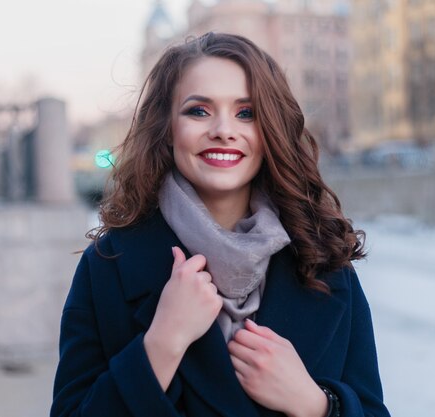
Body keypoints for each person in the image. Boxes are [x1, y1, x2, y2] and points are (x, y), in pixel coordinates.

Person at [51, 32, 390, 417]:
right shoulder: (108, 265)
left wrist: (316, 404)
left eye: (246, 113)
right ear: (167, 128)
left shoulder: (325, 262)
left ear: (271, 131)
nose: (224, 130)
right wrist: (163, 343)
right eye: (199, 111)